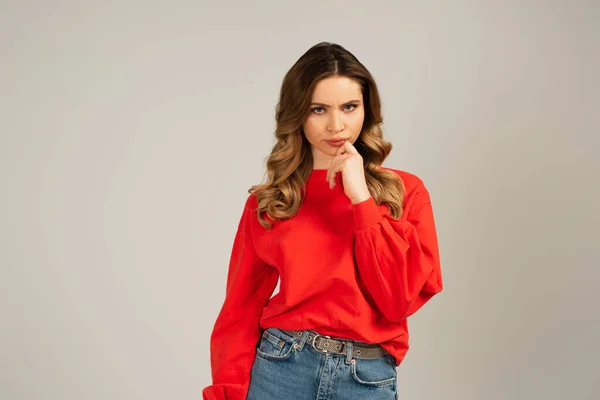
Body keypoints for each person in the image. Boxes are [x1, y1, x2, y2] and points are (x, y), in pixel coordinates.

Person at [202, 42, 443, 400]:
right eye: (319, 109)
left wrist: (361, 197)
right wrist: (228, 393)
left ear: (368, 109)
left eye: (349, 107)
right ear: (298, 114)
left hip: (365, 379)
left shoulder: (405, 192)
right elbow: (239, 309)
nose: (336, 125)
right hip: (279, 369)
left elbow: (398, 301)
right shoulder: (272, 201)